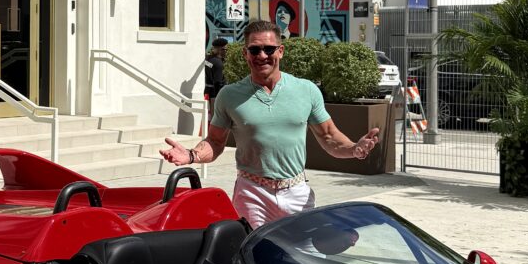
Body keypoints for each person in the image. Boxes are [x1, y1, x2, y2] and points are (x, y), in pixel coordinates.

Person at [160, 20, 378, 227]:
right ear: (245, 54)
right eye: (254, 50)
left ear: (280, 51)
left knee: (303, 257)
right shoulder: (229, 95)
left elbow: (329, 136)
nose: (262, 55)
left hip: (296, 192)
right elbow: (215, 142)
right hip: (252, 193)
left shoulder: (307, 90)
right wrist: (191, 155)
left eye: (269, 49)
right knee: (255, 257)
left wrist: (354, 149)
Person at [204, 37, 227, 104]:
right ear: (220, 50)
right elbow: (218, 83)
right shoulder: (218, 63)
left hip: (207, 92)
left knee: (207, 112)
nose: (226, 51)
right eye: (225, 49)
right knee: (214, 113)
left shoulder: (208, 59)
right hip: (215, 95)